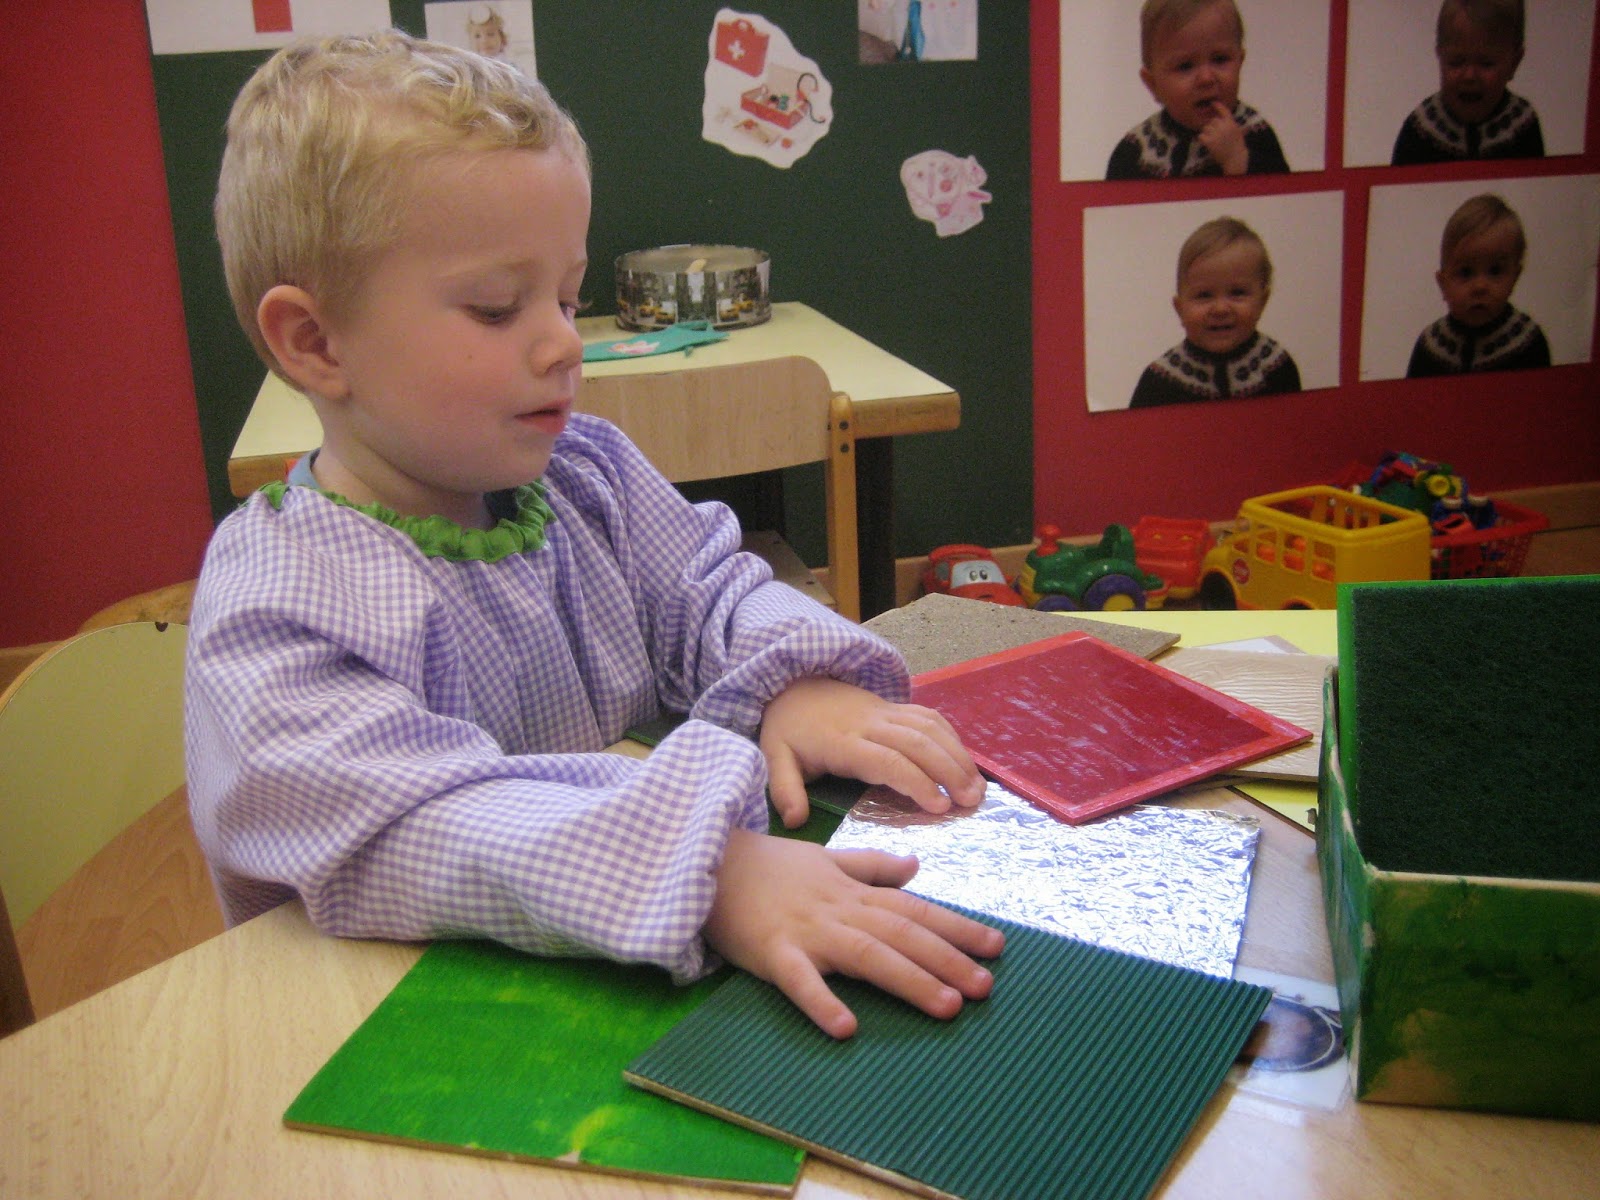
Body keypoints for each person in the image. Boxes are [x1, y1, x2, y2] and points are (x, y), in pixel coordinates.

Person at [191, 29, 1003, 1042]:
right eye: (497, 307)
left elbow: (708, 588)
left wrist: (796, 673)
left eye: (567, 296)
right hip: (397, 1042)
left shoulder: (586, 475)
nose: (565, 341)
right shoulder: (275, 608)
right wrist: (712, 869)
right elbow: (420, 823)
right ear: (315, 342)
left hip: (609, 995)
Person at [1106, 0, 1290, 180]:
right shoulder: (1134, 151)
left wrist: (1237, 160)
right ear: (1153, 84)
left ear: (1240, 63)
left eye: (1220, 59)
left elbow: (1286, 203)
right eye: (1185, 66)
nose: (1206, 78)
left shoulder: (1254, 134)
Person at [1129, 216, 1302, 407]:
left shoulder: (1277, 367)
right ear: (1180, 309)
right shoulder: (1158, 382)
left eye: (1237, 293)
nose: (1220, 309)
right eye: (1204, 295)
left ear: (1262, 302)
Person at [1406, 193, 1550, 376]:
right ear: (1442, 284)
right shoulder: (1429, 345)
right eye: (1465, 272)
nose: (1480, 286)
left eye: (1495, 271)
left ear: (1515, 278)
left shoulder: (1529, 342)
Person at [1391, 0, 1544, 165]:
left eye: (1486, 63)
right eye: (1456, 62)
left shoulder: (1523, 124)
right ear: (1440, 57)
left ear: (1514, 64)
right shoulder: (1419, 129)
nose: (1469, 76)